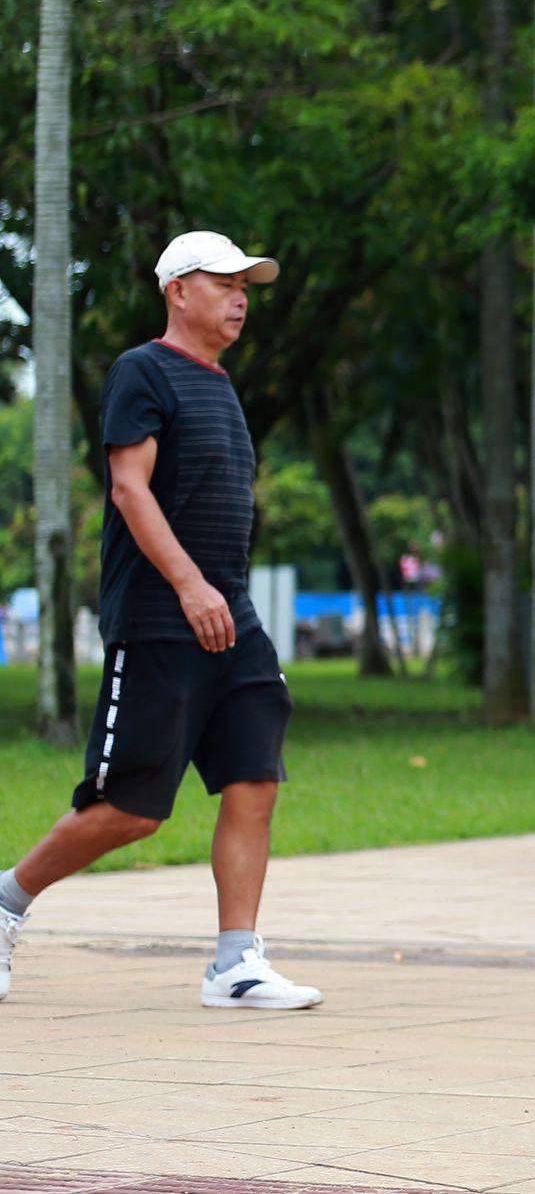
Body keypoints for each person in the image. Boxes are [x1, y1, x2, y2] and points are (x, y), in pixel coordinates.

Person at [0, 232, 322, 1009]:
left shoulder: (220, 384)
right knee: (131, 809)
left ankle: (236, 962)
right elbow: (128, 489)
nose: (241, 296)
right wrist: (189, 585)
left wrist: (220, 594)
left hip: (230, 618)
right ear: (179, 290)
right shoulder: (142, 371)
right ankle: (6, 900)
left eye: (248, 285)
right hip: (161, 617)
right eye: (225, 282)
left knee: (254, 777)